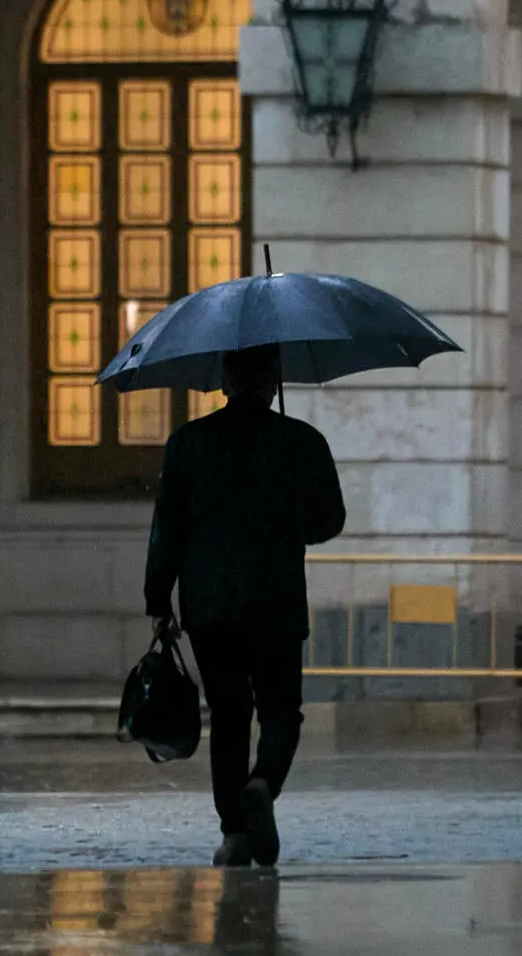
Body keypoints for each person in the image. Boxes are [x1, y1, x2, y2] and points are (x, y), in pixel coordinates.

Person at [144, 345, 346, 868]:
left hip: (210, 605)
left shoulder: (188, 443)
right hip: (276, 599)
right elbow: (330, 521)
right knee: (282, 711)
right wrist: (284, 523)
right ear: (274, 381)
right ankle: (262, 784)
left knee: (229, 717)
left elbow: (168, 527)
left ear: (226, 382)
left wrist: (157, 596)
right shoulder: (303, 442)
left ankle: (234, 834)